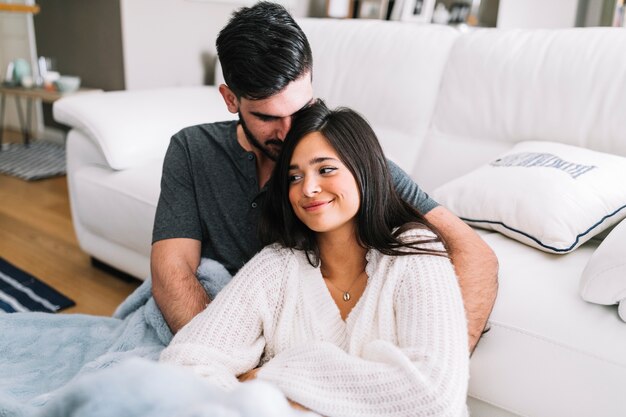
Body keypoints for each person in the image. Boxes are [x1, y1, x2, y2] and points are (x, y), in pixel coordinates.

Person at [150, 1, 498, 351]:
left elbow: (474, 253)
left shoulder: (343, 159)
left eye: (301, 109)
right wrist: (219, 357)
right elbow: (172, 270)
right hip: (229, 329)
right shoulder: (191, 149)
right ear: (230, 99)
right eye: (268, 118)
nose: (289, 133)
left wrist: (448, 360)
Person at [160, 100, 469, 416]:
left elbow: (434, 398)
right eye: (294, 177)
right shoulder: (276, 266)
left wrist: (272, 377)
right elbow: (185, 363)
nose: (308, 188)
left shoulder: (413, 252)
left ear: (364, 170)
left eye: (326, 169)